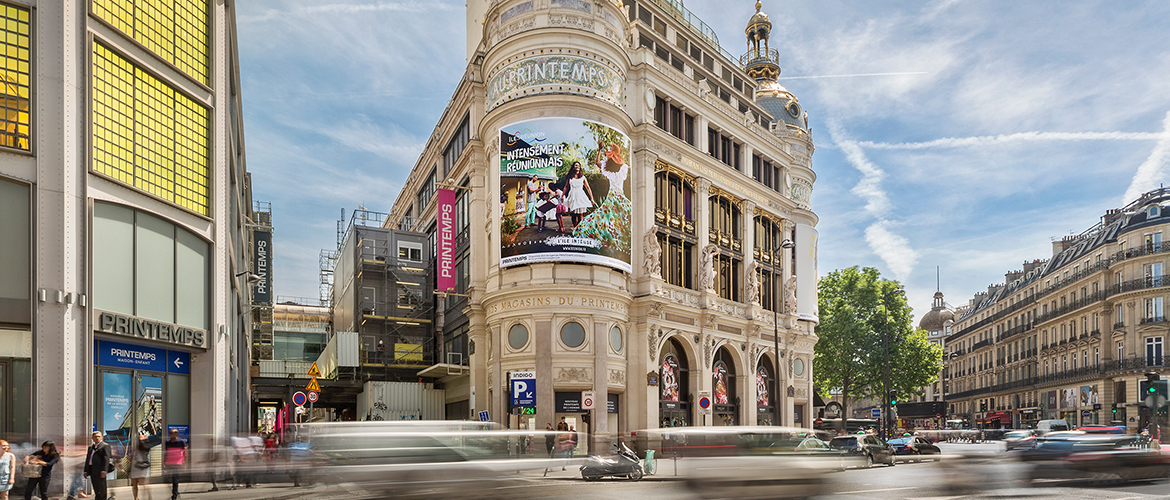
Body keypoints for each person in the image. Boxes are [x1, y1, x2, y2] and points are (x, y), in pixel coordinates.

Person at [572, 141, 632, 255]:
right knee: (620, 218)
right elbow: (631, 168)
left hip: (612, 195)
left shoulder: (607, 168)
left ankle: (604, 236)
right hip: (619, 196)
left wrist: (599, 149)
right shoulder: (623, 168)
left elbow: (597, 162)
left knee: (605, 217)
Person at [562, 162, 594, 230]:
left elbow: (588, 187)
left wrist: (591, 198)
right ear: (573, 167)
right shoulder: (570, 177)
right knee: (573, 214)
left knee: (580, 214)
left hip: (580, 196)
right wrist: (562, 195)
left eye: (578, 165)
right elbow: (566, 187)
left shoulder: (583, 177)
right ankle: (575, 227)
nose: (577, 166)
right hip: (572, 196)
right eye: (576, 165)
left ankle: (579, 229)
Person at [83, 432, 113, 500]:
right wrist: (86, 470)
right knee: (96, 488)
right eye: (95, 437)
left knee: (102, 488)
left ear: (101, 437)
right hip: (92, 469)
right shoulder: (91, 447)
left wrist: (104, 470)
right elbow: (88, 459)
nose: (97, 438)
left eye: (99, 436)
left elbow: (106, 459)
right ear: (92, 438)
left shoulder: (105, 446)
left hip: (100, 470)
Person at [163, 429, 187, 500]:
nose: (170, 435)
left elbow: (185, 453)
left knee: (175, 479)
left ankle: (174, 495)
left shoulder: (181, 442)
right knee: (168, 479)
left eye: (171, 433)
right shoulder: (167, 442)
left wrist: (184, 463)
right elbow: (166, 453)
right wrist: (164, 463)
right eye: (169, 433)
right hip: (169, 463)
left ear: (176, 434)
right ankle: (175, 491)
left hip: (177, 463)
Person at [130, 433, 154, 500]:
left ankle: (148, 497)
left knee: (143, 484)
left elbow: (146, 448)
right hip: (135, 466)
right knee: (134, 484)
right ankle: (136, 498)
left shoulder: (146, 445)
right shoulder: (135, 446)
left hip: (142, 466)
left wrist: (142, 440)